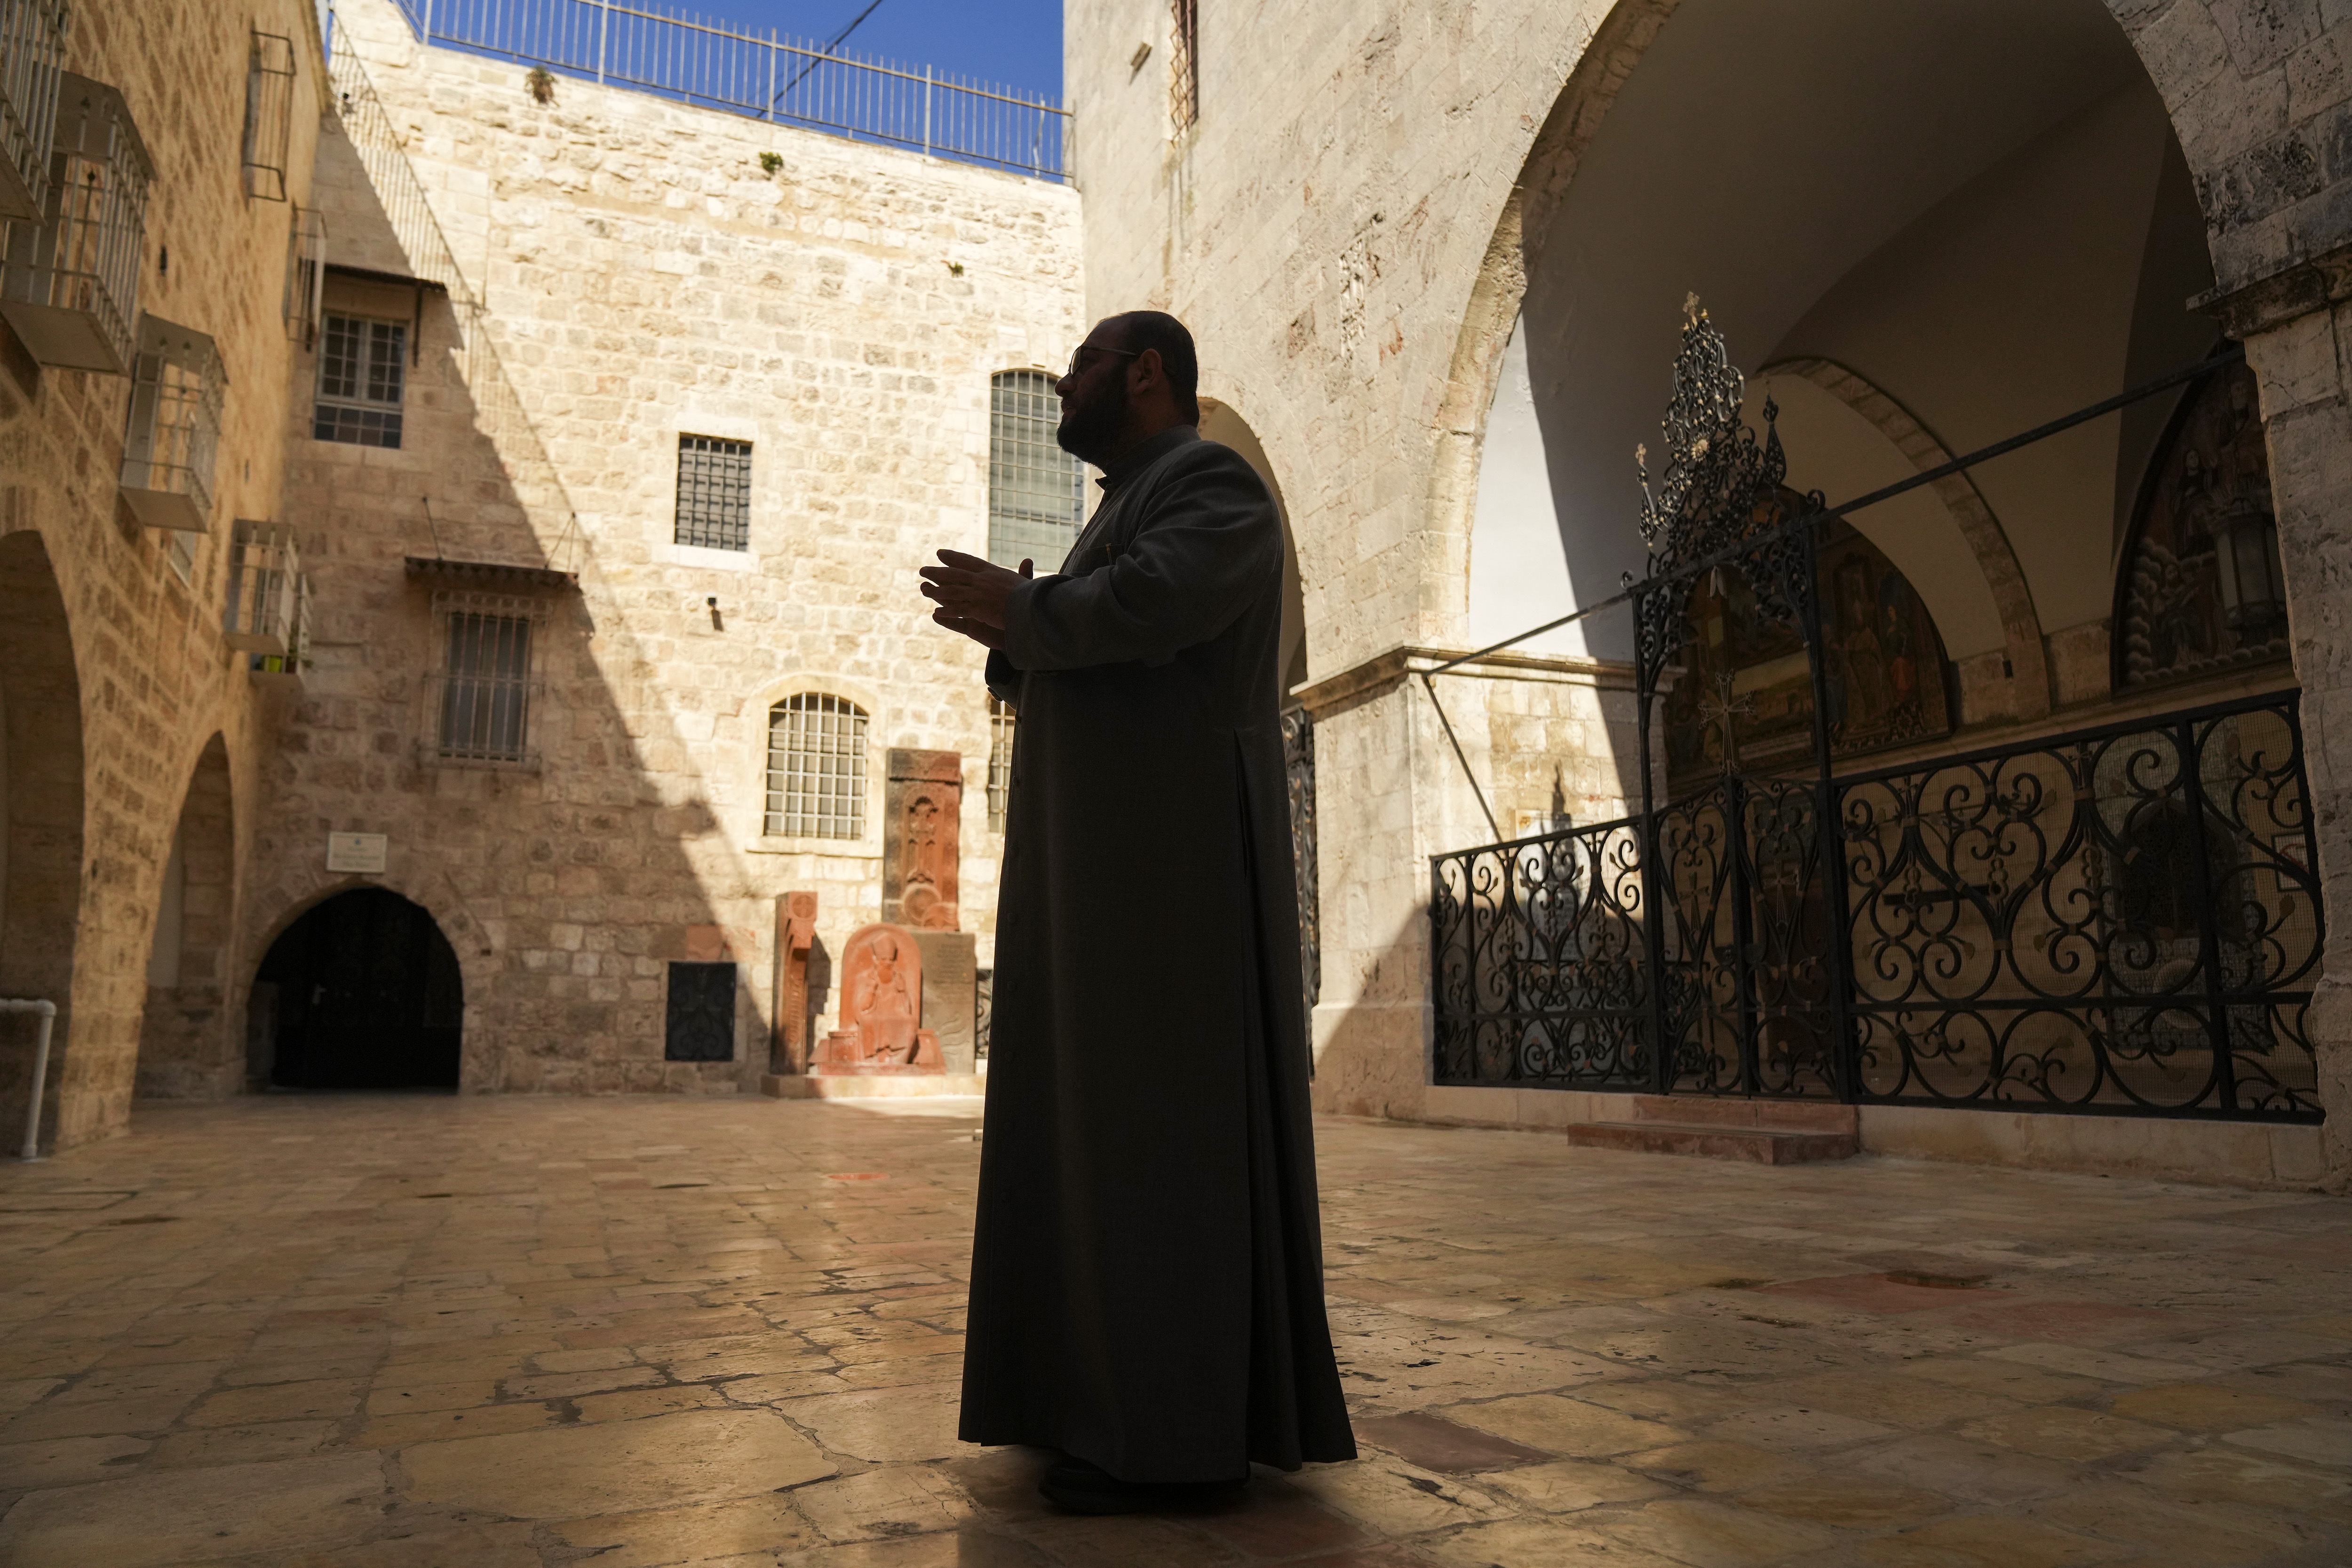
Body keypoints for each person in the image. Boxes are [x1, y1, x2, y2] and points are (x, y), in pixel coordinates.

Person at [919, 312, 1356, 1514]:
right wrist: (1026, 618)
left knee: (1161, 1137)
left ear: (1146, 373)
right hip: (1109, 866)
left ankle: (1169, 1435)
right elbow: (1101, 613)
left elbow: (1161, 603)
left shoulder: (1206, 478)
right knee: (1092, 1131)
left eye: (1082, 367)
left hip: (1170, 874)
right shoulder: (1124, 496)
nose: (1065, 386)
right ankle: (1086, 1402)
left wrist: (1029, 611)